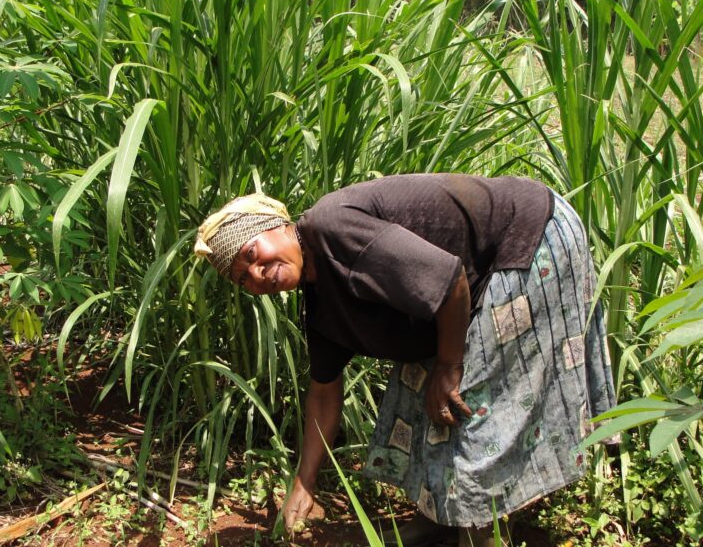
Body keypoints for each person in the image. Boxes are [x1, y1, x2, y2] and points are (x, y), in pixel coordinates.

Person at [194, 174, 615, 547]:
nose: (256, 273)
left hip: (525, 235)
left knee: (468, 393)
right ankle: (439, 516)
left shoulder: (333, 228)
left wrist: (449, 367)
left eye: (251, 253)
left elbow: (449, 281)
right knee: (418, 390)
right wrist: (304, 483)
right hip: (468, 283)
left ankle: (480, 530)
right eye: (241, 277)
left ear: (280, 227)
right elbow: (324, 390)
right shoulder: (320, 306)